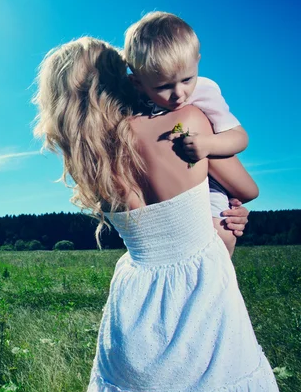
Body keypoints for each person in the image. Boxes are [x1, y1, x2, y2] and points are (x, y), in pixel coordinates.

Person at [32, 37, 278, 391]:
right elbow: (247, 190)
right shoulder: (184, 122)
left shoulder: (93, 164)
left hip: (134, 304)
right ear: (124, 77)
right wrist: (223, 213)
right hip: (204, 295)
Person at [124, 11, 258, 256]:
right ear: (137, 83)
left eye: (187, 79)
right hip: (167, 202)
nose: (179, 94)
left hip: (210, 183)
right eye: (163, 87)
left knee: (220, 232)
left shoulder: (205, 91)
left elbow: (240, 137)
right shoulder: (133, 105)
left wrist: (208, 144)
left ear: (197, 61)